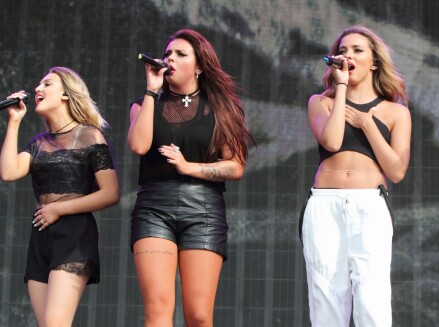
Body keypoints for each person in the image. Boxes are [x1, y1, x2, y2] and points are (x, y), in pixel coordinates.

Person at [127, 29, 252, 327]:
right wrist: (151, 90)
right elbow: (139, 146)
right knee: (158, 308)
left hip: (204, 210)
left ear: (198, 66)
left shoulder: (222, 108)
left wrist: (189, 167)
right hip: (154, 208)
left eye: (180, 54)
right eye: (168, 53)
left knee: (198, 314)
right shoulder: (145, 104)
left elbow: (235, 166)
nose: (170, 58)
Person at [301, 26, 411, 326]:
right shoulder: (320, 102)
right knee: (326, 296)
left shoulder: (395, 112)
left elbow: (397, 170)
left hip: (369, 205)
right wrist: (341, 89)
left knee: (371, 297)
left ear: (374, 62)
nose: (348, 55)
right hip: (325, 203)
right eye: (343, 50)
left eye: (357, 50)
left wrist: (368, 124)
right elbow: (333, 141)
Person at [0, 66, 119, 326]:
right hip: (40, 236)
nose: (37, 90)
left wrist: (59, 209)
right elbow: (9, 172)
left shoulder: (89, 135)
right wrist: (14, 122)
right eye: (39, 85)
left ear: (66, 94)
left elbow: (110, 193)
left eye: (47, 84)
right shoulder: (38, 143)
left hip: (73, 235)